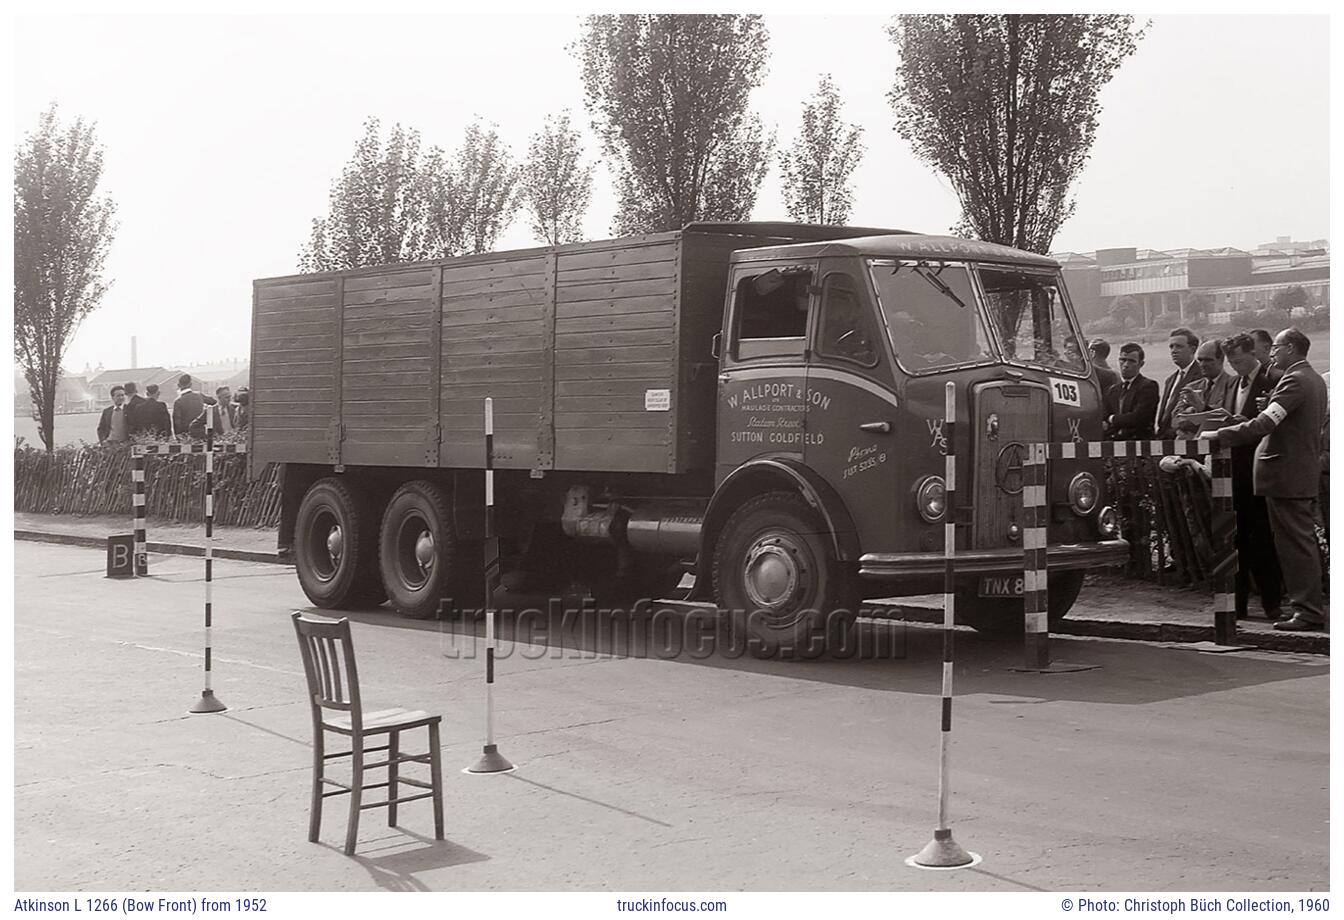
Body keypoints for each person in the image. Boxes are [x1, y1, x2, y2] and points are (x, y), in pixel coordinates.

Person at [1212, 328, 1327, 632]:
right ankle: (1307, 607)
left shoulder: (1294, 379)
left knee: (1295, 547)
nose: (1272, 353)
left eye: (1276, 347)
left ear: (1290, 348)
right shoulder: (1312, 379)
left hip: (1285, 474)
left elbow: (1265, 423)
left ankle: (1308, 610)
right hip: (1295, 473)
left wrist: (1221, 435)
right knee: (1298, 544)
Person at [1221, 333, 1284, 621]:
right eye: (1232, 362)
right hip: (1235, 468)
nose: (1236, 367)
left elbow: (1275, 425)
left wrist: (1244, 425)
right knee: (1237, 539)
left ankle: (1272, 602)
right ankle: (1240, 603)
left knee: (1262, 537)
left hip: (1260, 468)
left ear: (1253, 354)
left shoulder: (1273, 382)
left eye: (1241, 360)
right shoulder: (1233, 383)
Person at [1172, 339, 1236, 437]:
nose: (1202, 364)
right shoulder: (1191, 387)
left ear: (1221, 360)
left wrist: (1196, 409)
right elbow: (1175, 420)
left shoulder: (1232, 386)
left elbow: (1225, 419)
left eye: (1208, 360)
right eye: (1200, 360)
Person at [1103, 343, 1159, 440]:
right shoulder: (1113, 390)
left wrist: (1112, 419)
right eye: (1123, 360)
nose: (1126, 365)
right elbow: (1104, 417)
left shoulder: (1148, 386)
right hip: (1115, 443)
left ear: (1141, 364)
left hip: (1139, 444)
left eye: (1131, 361)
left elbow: (1139, 418)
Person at [1155, 327, 1201, 438]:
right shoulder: (1170, 379)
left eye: (1179, 346)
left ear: (1193, 349)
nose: (1174, 350)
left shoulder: (1201, 377)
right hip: (1164, 438)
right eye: (1171, 346)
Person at [171, 374, 215, 440]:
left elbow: (177, 422)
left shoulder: (178, 401)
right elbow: (214, 402)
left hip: (186, 434)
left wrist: (178, 436)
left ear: (179, 385)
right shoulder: (199, 395)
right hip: (200, 432)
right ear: (190, 384)